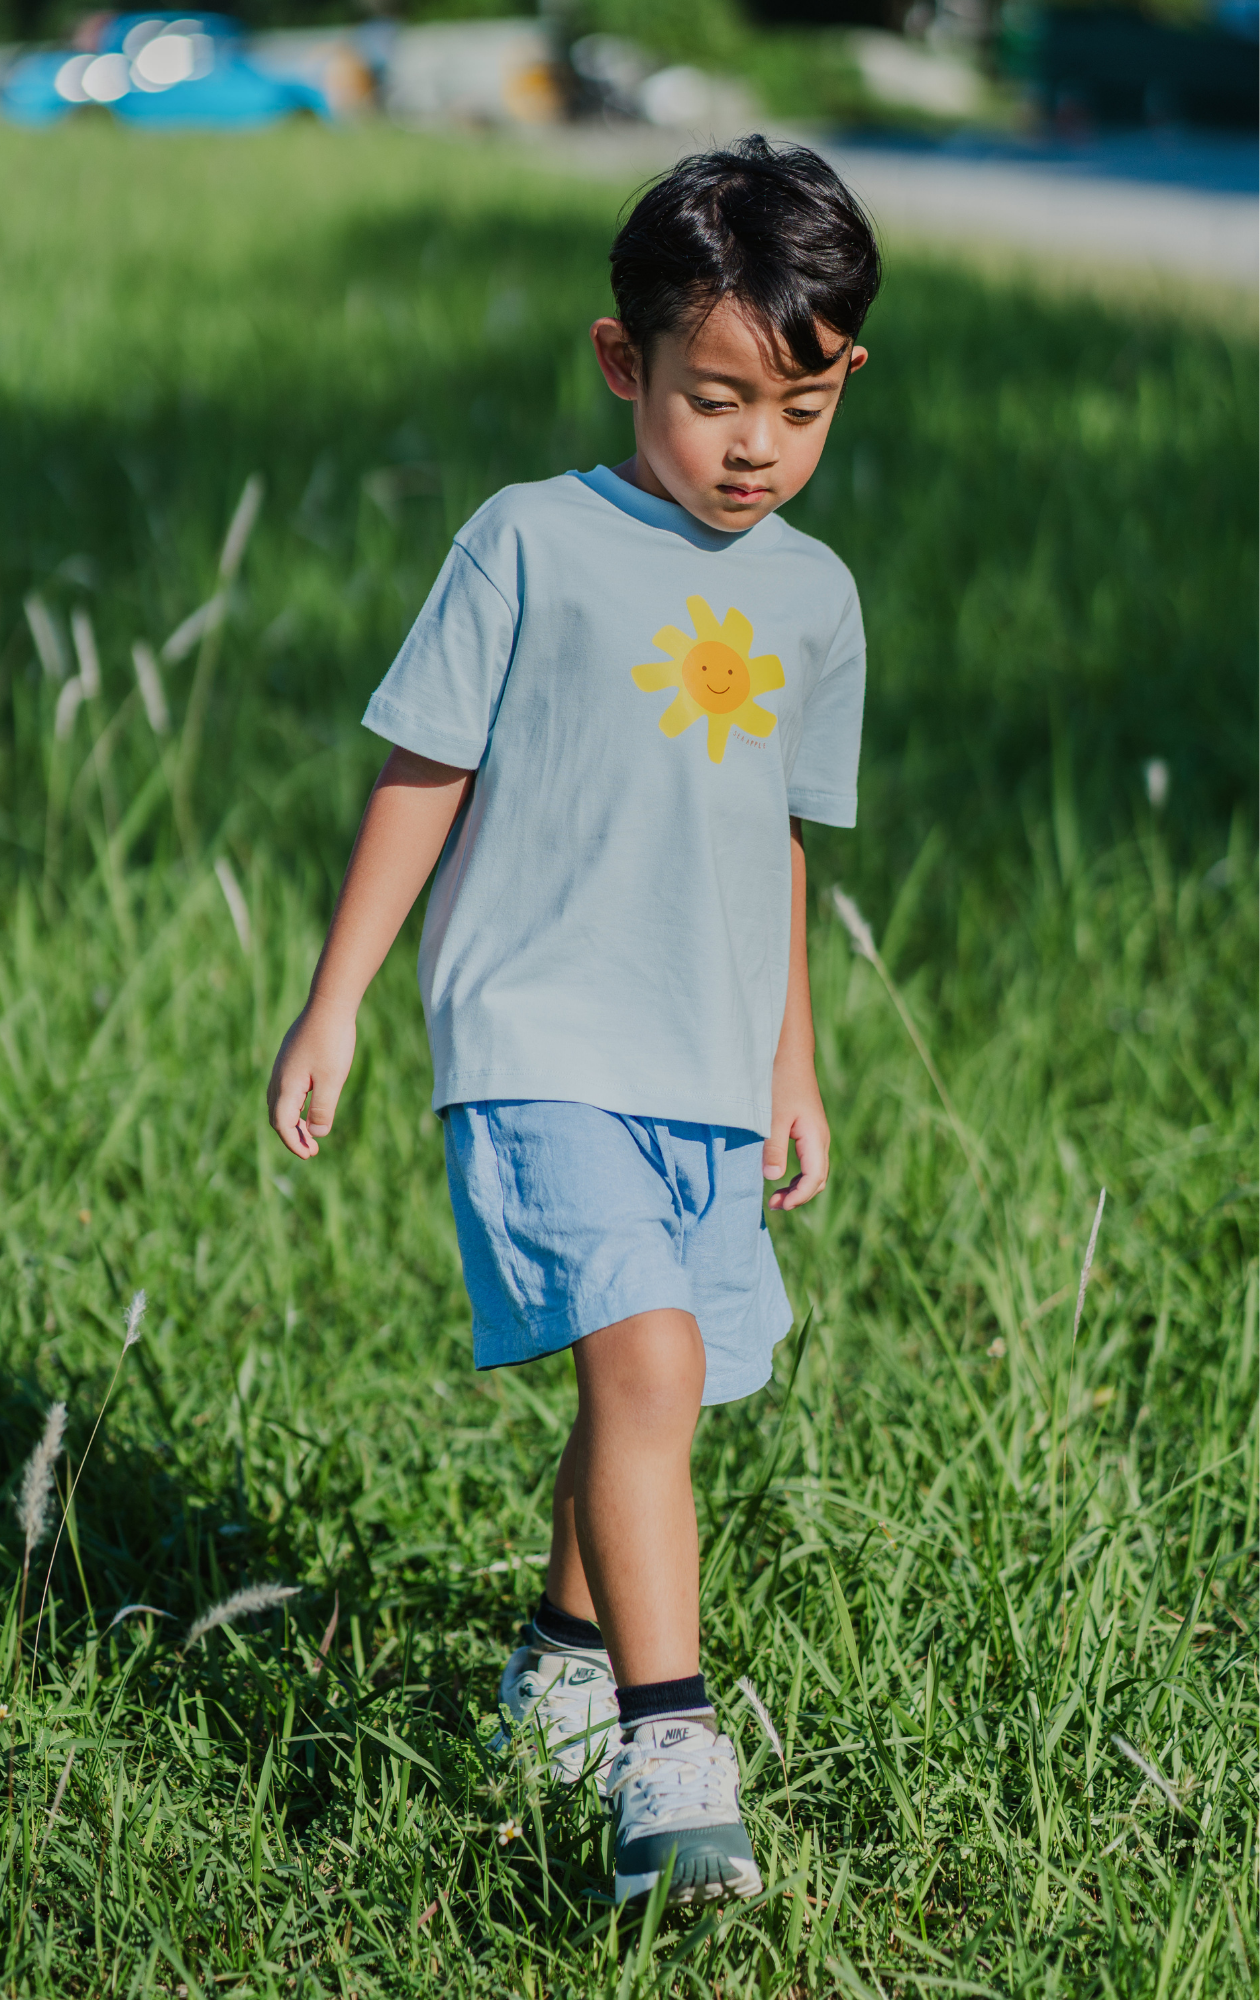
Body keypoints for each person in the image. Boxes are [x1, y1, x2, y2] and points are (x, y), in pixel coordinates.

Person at [267, 134, 880, 1908]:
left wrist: (793, 1059)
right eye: (716, 399)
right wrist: (337, 1002)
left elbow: (772, 836)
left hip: (704, 1059)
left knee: (652, 1393)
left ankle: (555, 1662)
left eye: (805, 408)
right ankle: (668, 1749)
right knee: (650, 1356)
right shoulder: (530, 538)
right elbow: (425, 767)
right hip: (536, 1036)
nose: (757, 448)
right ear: (627, 365)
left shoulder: (818, 600)